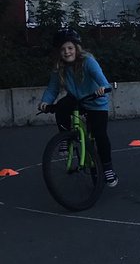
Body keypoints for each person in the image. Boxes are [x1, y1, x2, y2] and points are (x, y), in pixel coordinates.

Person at [39, 27, 118, 186]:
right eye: (62, 49)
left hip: (96, 101)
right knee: (61, 106)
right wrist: (45, 101)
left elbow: (102, 80)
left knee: (100, 134)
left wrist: (103, 88)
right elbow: (52, 88)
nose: (67, 52)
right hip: (77, 100)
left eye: (70, 48)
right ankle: (66, 138)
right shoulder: (59, 67)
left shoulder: (88, 61)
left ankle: (108, 168)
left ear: (76, 48)